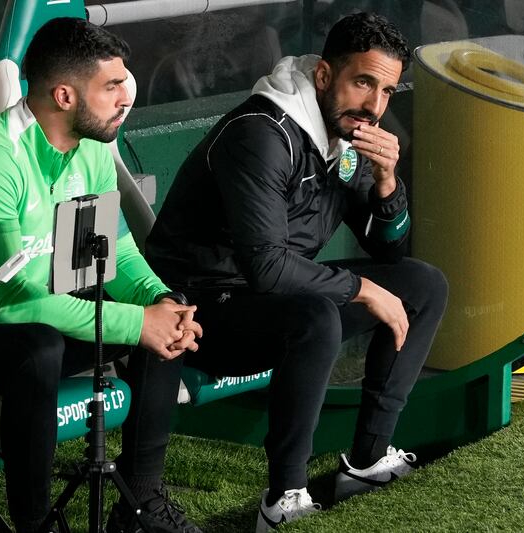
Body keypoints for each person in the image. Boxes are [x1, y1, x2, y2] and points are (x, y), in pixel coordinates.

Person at [145, 12, 448, 531]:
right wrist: (362, 289)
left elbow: (389, 252)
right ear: (325, 76)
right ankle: (284, 497)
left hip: (272, 297)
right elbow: (264, 266)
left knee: (423, 285)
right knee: (316, 318)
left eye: (388, 91)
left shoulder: (347, 136)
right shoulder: (262, 133)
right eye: (363, 82)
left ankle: (368, 460)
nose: (374, 106)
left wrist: (387, 182)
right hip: (198, 308)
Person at [0, 18, 203, 533]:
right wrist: (137, 322)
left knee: (159, 312)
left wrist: (160, 302)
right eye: (112, 86)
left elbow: (104, 256)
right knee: (40, 348)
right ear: (66, 94)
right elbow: (12, 301)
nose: (126, 98)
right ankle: (35, 523)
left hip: (39, 315)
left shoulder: (91, 147)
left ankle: (139, 506)